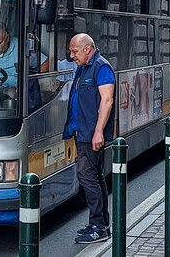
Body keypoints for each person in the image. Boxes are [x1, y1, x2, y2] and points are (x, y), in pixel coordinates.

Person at [62, 34, 115, 244]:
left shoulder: (101, 68)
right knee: (96, 176)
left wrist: (98, 132)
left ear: (87, 49)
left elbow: (107, 100)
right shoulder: (85, 67)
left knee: (87, 176)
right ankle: (101, 223)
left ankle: (98, 227)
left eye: (74, 51)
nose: (71, 55)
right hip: (82, 131)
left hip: (90, 133)